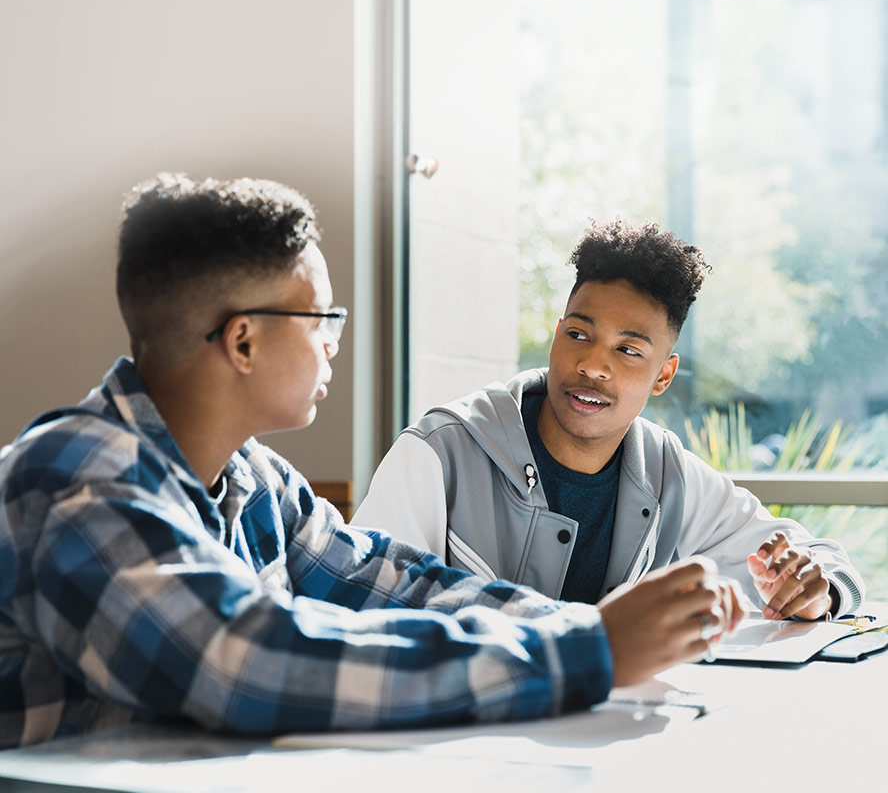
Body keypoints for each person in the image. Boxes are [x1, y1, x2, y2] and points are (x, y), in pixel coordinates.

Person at [0, 176, 737, 751]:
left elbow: (397, 586)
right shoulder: (77, 479)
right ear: (245, 342)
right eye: (322, 318)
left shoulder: (255, 481)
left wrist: (598, 629)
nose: (334, 342)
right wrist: (588, 652)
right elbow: (247, 665)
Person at [354, 217, 864, 622]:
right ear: (556, 334)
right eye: (578, 335)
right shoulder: (438, 454)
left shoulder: (668, 474)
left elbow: (817, 557)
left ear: (663, 376)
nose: (593, 366)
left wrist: (815, 591)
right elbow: (359, 606)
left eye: (627, 350)